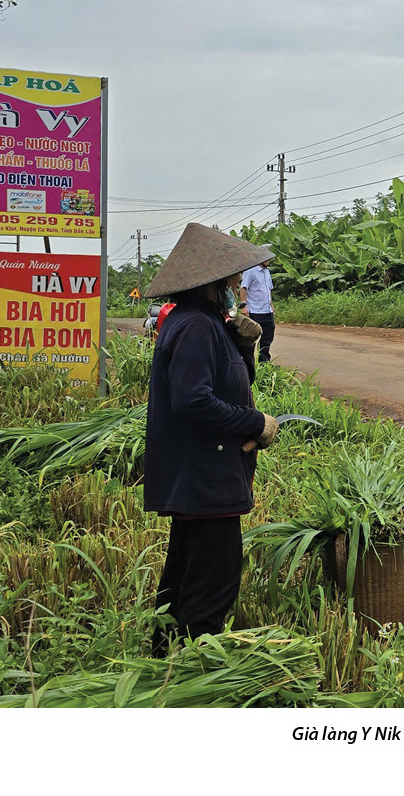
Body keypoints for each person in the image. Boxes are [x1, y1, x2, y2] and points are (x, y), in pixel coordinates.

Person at [140, 222, 279, 656]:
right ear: (212, 282)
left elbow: (225, 381)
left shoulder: (204, 321)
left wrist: (244, 345)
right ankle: (194, 666)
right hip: (204, 477)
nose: (239, 283)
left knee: (186, 572)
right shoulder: (196, 326)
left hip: (201, 477)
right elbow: (194, 401)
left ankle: (165, 659)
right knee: (213, 581)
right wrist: (255, 424)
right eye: (234, 277)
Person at [238, 258, 277, 363]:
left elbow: (268, 289)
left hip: (267, 311)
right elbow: (243, 288)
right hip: (254, 311)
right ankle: (247, 363)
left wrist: (271, 305)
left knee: (267, 337)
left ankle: (264, 363)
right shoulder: (250, 271)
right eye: (267, 258)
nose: (269, 260)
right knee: (250, 338)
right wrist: (244, 307)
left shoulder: (267, 272)